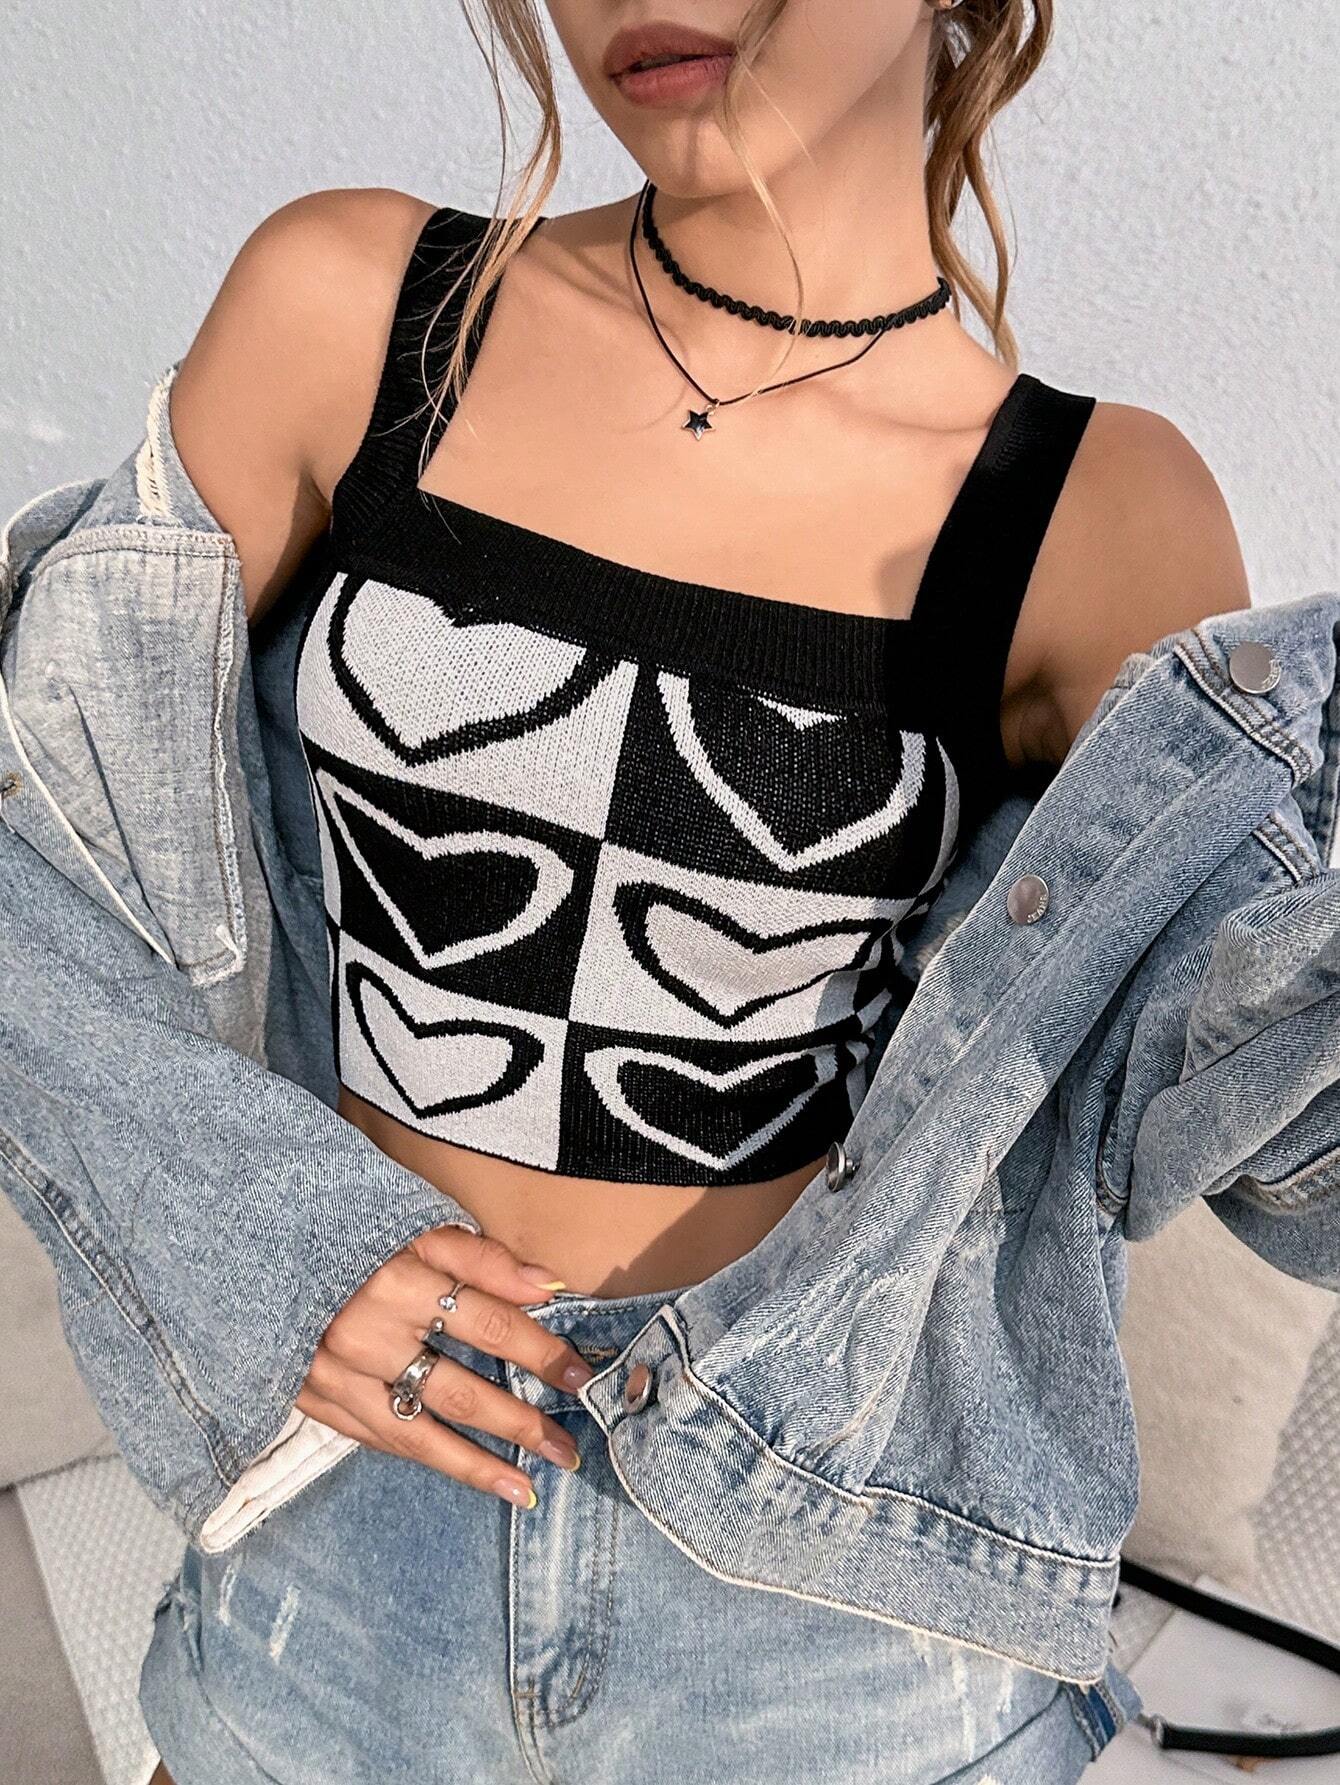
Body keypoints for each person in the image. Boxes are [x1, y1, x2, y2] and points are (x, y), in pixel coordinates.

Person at [119, 1, 1247, 1779]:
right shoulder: (353, 314)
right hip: (342, 1544)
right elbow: (49, 854)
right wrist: (262, 1242)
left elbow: (1246, 1129)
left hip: (826, 1614)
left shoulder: (1103, 513)